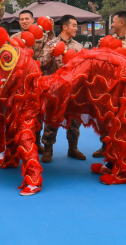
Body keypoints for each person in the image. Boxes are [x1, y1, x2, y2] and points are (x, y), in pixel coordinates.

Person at [92, 10, 126, 158]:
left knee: (123, 118)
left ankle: (122, 147)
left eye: (113, 22)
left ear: (122, 23)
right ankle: (105, 145)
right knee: (105, 117)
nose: (111, 25)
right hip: (107, 86)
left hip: (124, 88)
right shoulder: (108, 40)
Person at [38, 14, 85, 163]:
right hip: (55, 89)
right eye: (74, 26)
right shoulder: (50, 44)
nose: (76, 28)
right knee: (52, 119)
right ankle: (48, 149)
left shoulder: (78, 47)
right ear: (65, 27)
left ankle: (73, 148)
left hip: (73, 89)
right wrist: (51, 55)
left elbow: (83, 68)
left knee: (74, 120)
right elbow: (42, 64)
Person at [11, 9, 55, 153]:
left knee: (38, 112)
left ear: (33, 20)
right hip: (19, 82)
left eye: (27, 19)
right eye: (21, 19)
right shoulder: (15, 38)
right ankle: (18, 141)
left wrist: (50, 31)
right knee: (18, 112)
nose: (24, 21)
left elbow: (50, 51)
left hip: (38, 81)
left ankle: (36, 140)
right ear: (19, 21)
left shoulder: (42, 37)